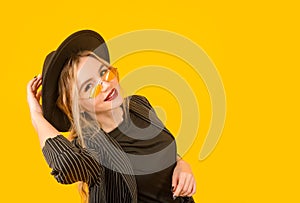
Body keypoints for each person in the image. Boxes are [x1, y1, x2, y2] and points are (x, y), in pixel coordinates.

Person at [27, 30, 196, 203]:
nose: (106, 85)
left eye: (103, 73)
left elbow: (159, 153)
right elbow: (64, 164)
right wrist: (36, 115)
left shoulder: (139, 105)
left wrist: (182, 164)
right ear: (78, 105)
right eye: (89, 87)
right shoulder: (90, 147)